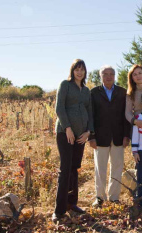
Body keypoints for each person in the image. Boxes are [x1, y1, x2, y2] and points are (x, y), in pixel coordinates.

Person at [52, 59, 94, 222]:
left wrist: (88, 132)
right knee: (65, 169)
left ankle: (72, 204)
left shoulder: (86, 90)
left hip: (81, 135)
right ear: (72, 70)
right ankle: (59, 210)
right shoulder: (65, 85)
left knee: (74, 168)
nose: (79, 72)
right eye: (77, 69)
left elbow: (90, 111)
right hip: (65, 133)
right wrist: (67, 128)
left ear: (85, 72)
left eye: (82, 69)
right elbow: (59, 108)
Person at [89, 65, 131, 208]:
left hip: (119, 136)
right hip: (100, 137)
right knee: (100, 168)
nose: (108, 76)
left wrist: (127, 135)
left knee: (117, 167)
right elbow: (91, 116)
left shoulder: (122, 92)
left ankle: (114, 197)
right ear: (100, 76)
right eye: (105, 74)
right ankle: (100, 197)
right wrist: (91, 136)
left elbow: (126, 116)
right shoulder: (94, 93)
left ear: (115, 76)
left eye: (111, 74)